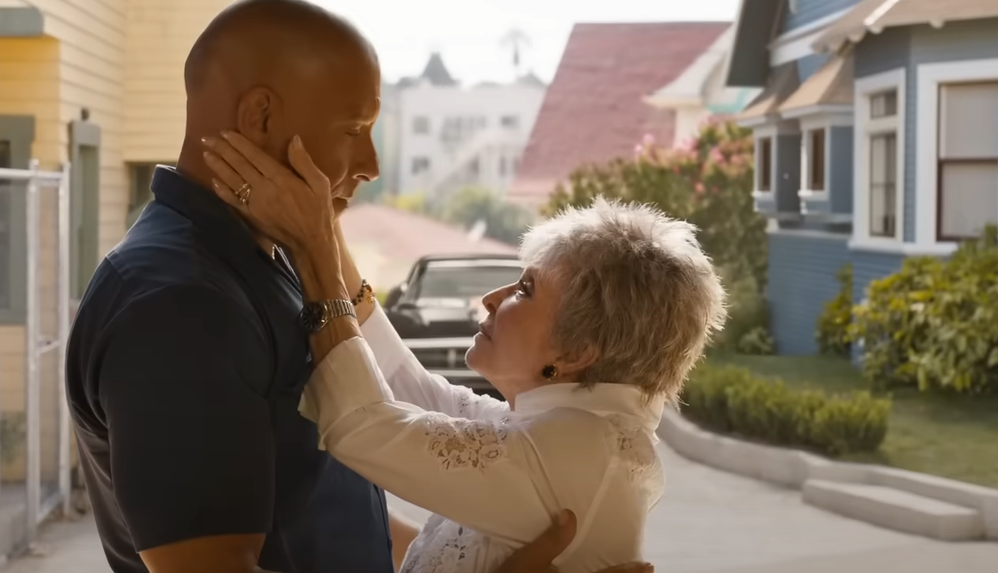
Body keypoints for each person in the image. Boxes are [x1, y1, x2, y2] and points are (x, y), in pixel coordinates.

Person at [66, 0, 654, 573]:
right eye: (354, 129)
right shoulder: (179, 305)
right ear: (260, 118)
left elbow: (323, 500)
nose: (372, 164)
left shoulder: (265, 261)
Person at [199, 132, 727, 572]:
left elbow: (364, 425)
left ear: (580, 350)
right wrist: (326, 226)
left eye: (525, 290)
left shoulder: (579, 451)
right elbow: (407, 385)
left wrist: (312, 248)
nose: (492, 298)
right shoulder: (568, 432)